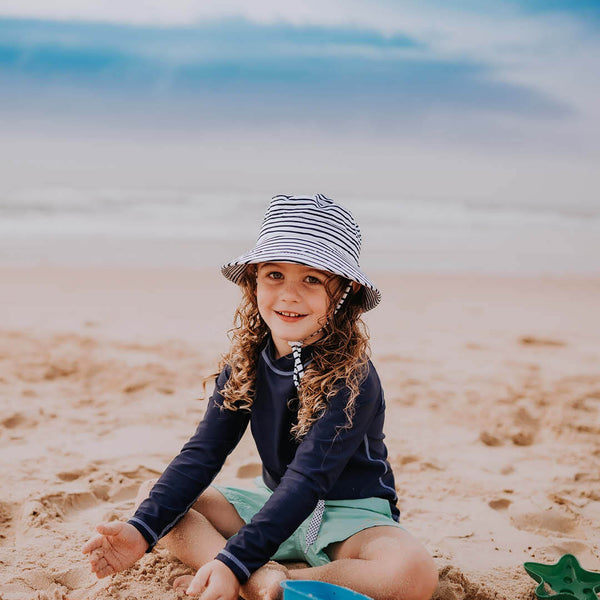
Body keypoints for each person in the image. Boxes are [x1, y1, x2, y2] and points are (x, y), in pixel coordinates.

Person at [82, 194, 438, 600]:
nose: (289, 295)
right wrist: (138, 532)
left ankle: (260, 576)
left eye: (312, 279)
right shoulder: (247, 364)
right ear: (253, 281)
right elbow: (203, 454)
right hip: (270, 501)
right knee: (155, 498)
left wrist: (235, 560)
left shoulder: (354, 377)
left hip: (350, 515)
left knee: (414, 573)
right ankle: (258, 578)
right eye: (274, 275)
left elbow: (309, 479)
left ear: (343, 293)